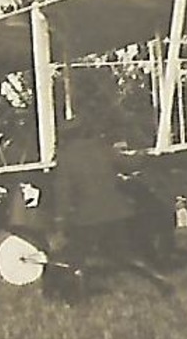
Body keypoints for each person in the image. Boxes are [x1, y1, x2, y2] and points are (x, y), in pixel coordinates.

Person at [48, 117, 173, 299]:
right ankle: (159, 279)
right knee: (124, 256)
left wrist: (60, 222)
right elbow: (130, 164)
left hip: (87, 217)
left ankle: (79, 299)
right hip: (116, 212)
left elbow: (63, 193)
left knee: (75, 259)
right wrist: (144, 153)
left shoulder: (65, 158)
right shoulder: (101, 148)